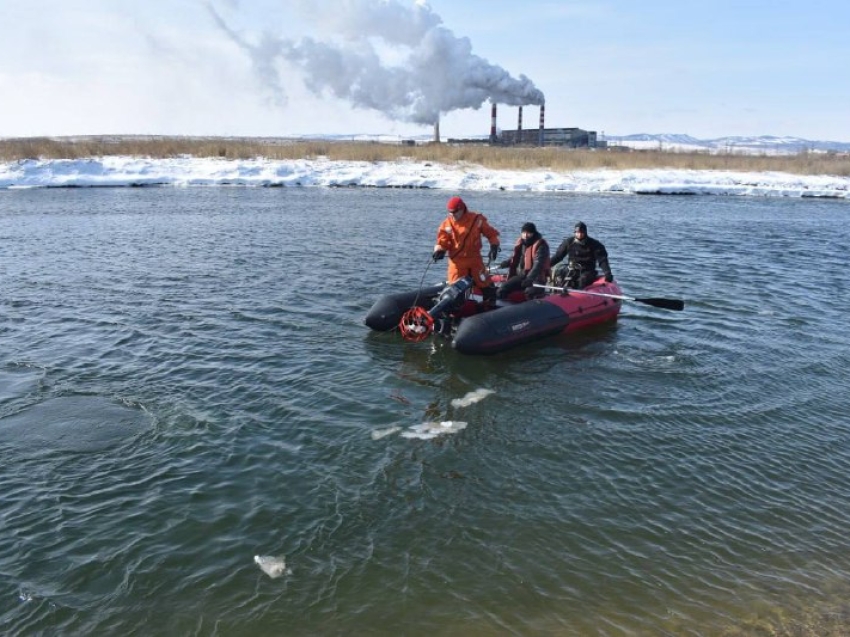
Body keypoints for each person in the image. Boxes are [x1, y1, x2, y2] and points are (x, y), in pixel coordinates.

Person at [432, 196, 501, 303]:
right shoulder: (446, 224)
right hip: (457, 264)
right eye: (450, 212)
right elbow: (443, 241)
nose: (452, 215)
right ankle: (453, 317)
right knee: (454, 294)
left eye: (454, 212)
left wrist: (494, 246)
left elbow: (491, 234)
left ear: (461, 209)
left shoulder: (477, 219)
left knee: (488, 288)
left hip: (475, 261)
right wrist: (440, 250)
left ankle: (488, 310)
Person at [550, 221, 614, 289]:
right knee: (559, 273)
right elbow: (558, 256)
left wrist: (607, 273)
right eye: (577, 233)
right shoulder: (568, 242)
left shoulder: (595, 245)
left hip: (587, 271)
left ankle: (578, 295)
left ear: (585, 232)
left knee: (582, 280)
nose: (579, 235)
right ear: (574, 232)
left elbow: (602, 260)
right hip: (572, 269)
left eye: (581, 232)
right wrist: (546, 265)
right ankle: (556, 293)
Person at [496, 222, 551, 300]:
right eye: (524, 233)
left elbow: (538, 264)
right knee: (502, 289)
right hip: (522, 275)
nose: (525, 235)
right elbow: (516, 257)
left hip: (536, 278)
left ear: (533, 233)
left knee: (530, 293)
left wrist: (530, 278)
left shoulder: (541, 245)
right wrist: (506, 263)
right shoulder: (522, 244)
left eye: (528, 233)